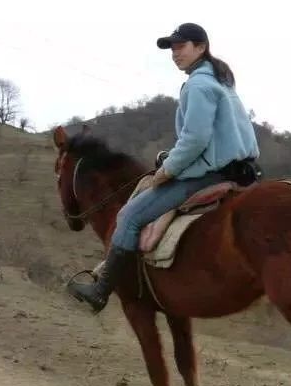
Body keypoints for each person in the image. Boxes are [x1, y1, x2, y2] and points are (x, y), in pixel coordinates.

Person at [68, 22, 260, 313]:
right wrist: (171, 156)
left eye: (181, 46)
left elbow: (195, 140)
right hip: (242, 169)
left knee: (130, 216)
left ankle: (101, 289)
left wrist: (167, 170)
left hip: (210, 174)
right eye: (172, 48)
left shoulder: (197, 84)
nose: (174, 53)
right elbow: (210, 139)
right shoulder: (221, 82)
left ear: (201, 47)